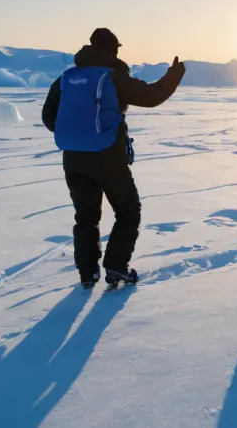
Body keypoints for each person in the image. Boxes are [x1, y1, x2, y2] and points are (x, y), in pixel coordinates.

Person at [42, 28, 185, 289]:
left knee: (85, 216)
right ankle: (116, 266)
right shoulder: (111, 77)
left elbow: (48, 114)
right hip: (107, 156)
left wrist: (75, 134)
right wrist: (174, 75)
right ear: (112, 50)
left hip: (73, 158)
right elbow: (151, 96)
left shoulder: (66, 78)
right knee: (128, 210)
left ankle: (87, 273)